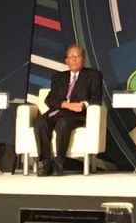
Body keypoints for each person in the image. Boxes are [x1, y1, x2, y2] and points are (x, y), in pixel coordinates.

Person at [33, 44, 103, 176]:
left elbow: (97, 99)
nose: (74, 59)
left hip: (75, 115)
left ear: (83, 59)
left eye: (77, 56)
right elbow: (50, 99)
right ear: (66, 61)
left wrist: (83, 104)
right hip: (57, 111)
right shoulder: (58, 77)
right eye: (71, 56)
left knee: (63, 123)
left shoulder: (93, 75)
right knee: (40, 121)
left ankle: (59, 163)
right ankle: (45, 163)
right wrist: (65, 104)